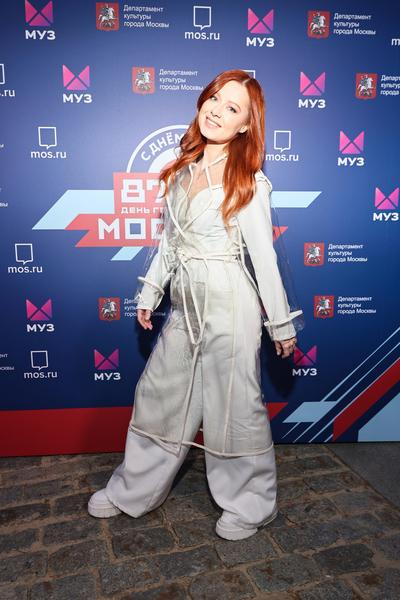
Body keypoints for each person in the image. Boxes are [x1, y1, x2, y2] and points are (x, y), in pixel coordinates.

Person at [88, 69, 304, 540]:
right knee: (159, 395)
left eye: (233, 108)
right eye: (214, 98)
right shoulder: (181, 171)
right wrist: (151, 293)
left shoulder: (248, 181)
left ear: (246, 126)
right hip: (185, 305)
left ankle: (251, 504)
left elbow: (263, 258)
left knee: (234, 407)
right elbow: (170, 244)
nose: (218, 110)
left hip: (230, 303)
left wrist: (280, 324)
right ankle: (135, 490)